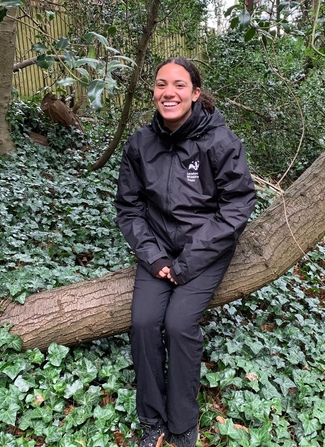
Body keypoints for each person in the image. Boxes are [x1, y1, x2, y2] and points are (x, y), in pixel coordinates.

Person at [114, 57, 256, 447]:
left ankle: (182, 425)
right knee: (143, 323)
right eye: (161, 84)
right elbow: (128, 208)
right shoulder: (141, 143)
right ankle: (152, 422)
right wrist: (155, 257)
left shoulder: (220, 140)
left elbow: (237, 206)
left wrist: (186, 264)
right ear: (154, 92)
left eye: (178, 85)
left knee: (178, 325)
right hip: (157, 249)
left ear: (195, 93)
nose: (168, 92)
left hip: (205, 250)